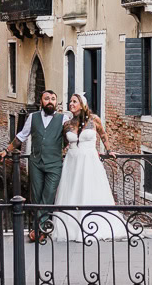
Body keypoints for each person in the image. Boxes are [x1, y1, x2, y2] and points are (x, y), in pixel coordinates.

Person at [50, 94, 130, 240]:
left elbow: (103, 134)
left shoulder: (94, 119)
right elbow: (64, 143)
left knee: (90, 190)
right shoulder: (67, 124)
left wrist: (109, 150)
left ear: (82, 104)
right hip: (72, 162)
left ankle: (94, 224)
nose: (71, 104)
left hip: (89, 161)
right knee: (73, 191)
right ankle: (71, 228)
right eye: (70, 102)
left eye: (74, 102)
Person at [0, 89, 69, 227]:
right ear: (41, 102)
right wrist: (7, 150)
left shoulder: (64, 119)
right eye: (47, 98)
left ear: (56, 102)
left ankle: (38, 228)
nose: (50, 101)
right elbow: (21, 136)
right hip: (36, 162)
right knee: (36, 197)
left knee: (48, 195)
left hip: (54, 164)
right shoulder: (33, 117)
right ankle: (40, 228)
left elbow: (70, 139)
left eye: (53, 99)